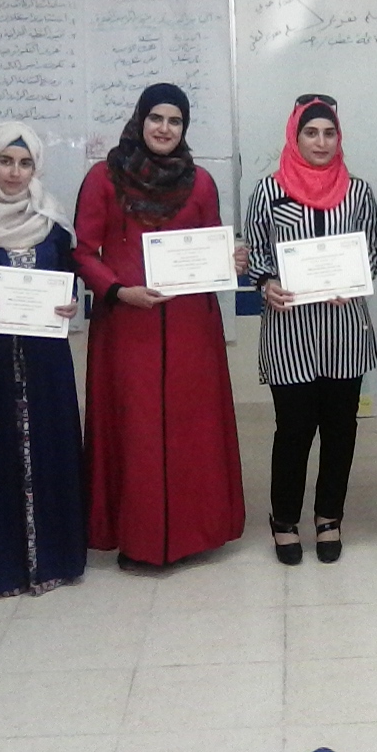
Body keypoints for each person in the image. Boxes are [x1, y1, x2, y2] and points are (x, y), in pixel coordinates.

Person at [74, 83, 245, 570]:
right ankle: (140, 539)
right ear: (140, 120)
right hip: (129, 325)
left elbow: (210, 246)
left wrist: (229, 259)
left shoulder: (200, 182)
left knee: (192, 430)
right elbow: (83, 251)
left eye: (175, 121)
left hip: (192, 330)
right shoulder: (104, 178)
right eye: (156, 118)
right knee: (137, 431)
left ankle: (194, 534)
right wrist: (116, 290)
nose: (164, 129)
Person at [243, 95, 377, 564]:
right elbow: (256, 252)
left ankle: (329, 516)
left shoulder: (358, 192)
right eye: (311, 133)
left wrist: (355, 279)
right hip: (290, 330)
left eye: (329, 133)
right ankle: (284, 519)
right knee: (294, 429)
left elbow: (374, 249)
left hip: (344, 329)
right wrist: (266, 283)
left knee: (341, 429)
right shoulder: (269, 191)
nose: (321, 142)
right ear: (295, 136)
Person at [0, 123, 87, 596]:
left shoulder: (53, 226)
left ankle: (56, 560)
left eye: (25, 163)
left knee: (51, 451)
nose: (14, 172)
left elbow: (70, 281)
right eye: (5, 161)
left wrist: (70, 303)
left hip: (46, 363)